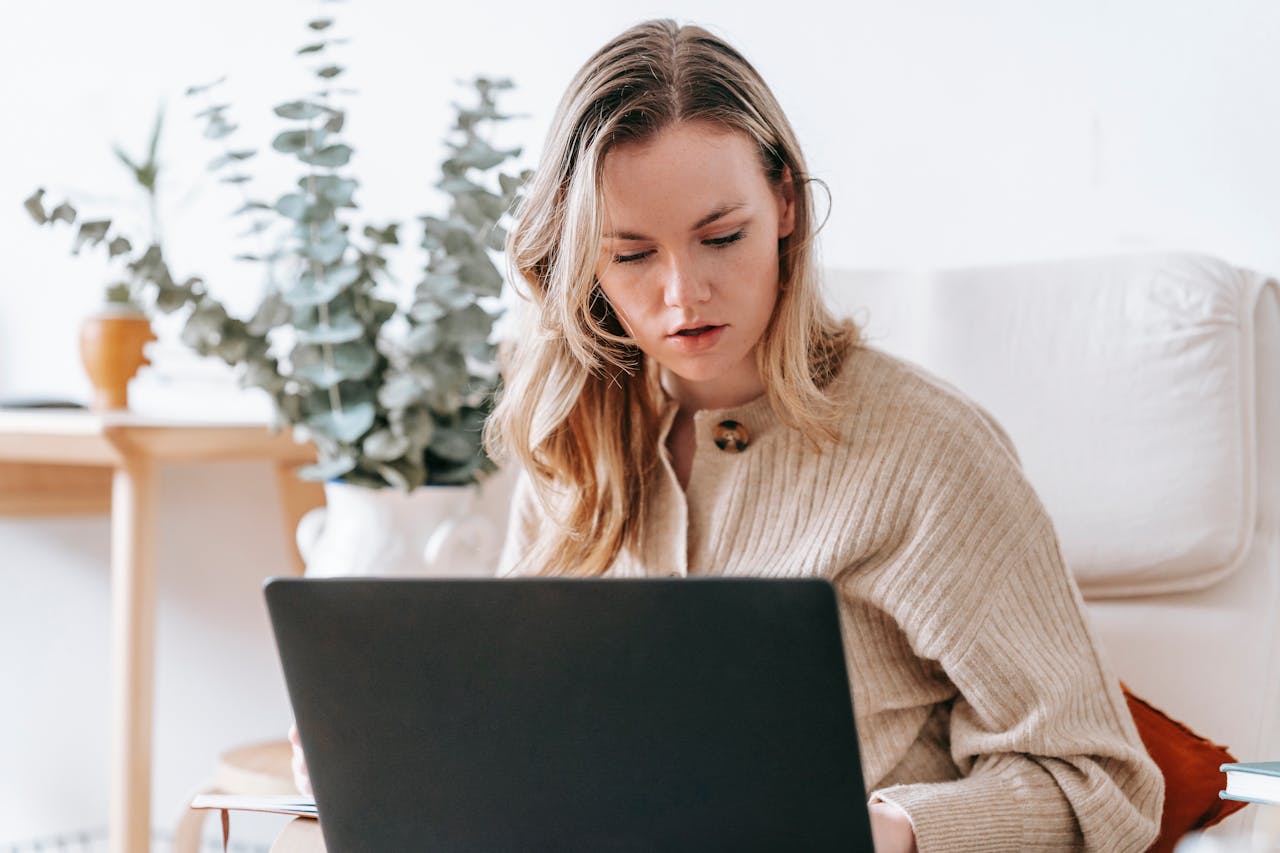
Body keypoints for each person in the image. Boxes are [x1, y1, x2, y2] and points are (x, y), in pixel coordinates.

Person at [480, 17, 1164, 853]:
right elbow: (526, 733)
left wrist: (895, 829)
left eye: (721, 236)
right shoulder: (571, 446)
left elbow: (1107, 789)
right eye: (629, 255)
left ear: (786, 206)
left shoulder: (929, 452)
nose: (682, 293)